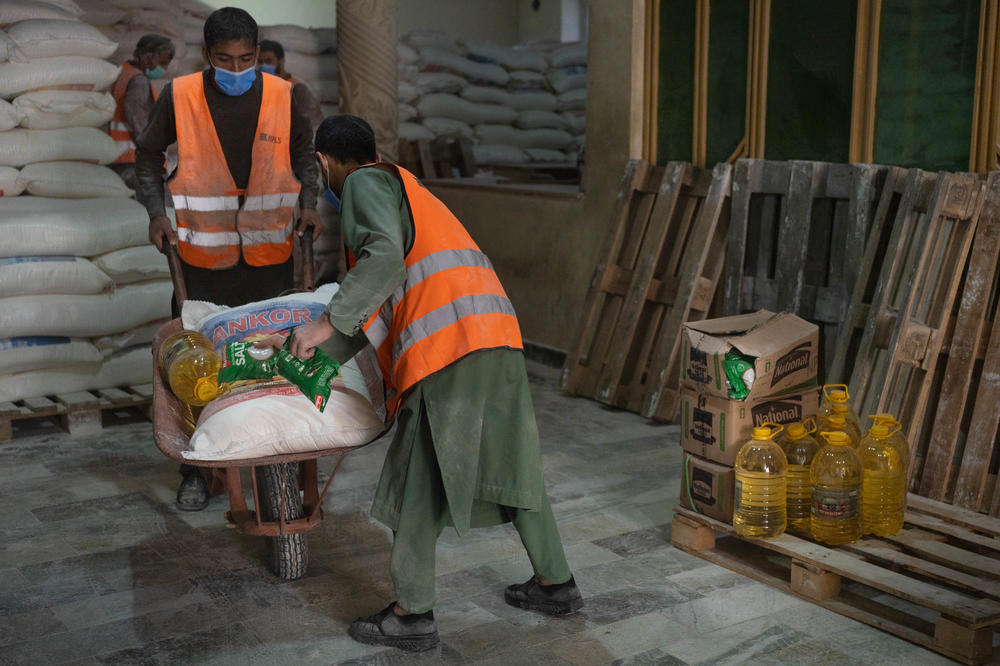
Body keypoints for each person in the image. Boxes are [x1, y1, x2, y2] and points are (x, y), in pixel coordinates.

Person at [287, 115, 583, 652]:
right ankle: (556, 583)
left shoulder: (362, 183)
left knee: (416, 484)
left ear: (325, 162)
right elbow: (384, 295)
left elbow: (383, 261)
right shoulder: (409, 186)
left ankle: (411, 615)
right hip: (497, 335)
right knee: (515, 463)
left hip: (448, 351)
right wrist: (323, 356)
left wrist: (321, 322)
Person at [134, 7, 322, 511]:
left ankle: (269, 453)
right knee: (196, 362)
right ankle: (196, 466)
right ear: (206, 55)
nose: (236, 69)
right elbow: (147, 155)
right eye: (225, 59)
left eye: (246, 59)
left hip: (271, 256)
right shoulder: (182, 95)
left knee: (270, 358)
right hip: (201, 259)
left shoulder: (283, 96)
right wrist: (156, 212)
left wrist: (309, 204)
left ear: (259, 54)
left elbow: (306, 155)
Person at [109, 34, 175, 190]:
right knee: (165, 209)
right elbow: (135, 112)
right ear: (146, 58)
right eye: (161, 63)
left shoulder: (124, 72)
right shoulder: (139, 81)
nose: (164, 69)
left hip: (122, 159)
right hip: (135, 162)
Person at [257, 39, 323, 130]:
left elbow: (312, 124)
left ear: (281, 61)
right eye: (260, 62)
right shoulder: (259, 88)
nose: (263, 66)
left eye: (268, 61)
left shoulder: (297, 88)